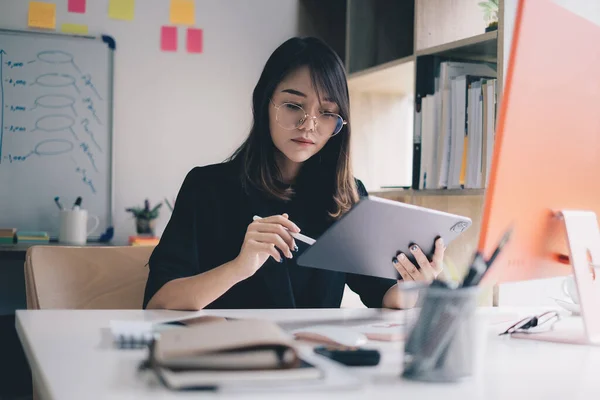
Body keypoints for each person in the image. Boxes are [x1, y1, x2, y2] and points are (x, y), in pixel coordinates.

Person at [143, 37, 446, 311]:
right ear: (265, 104)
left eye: (326, 112)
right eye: (293, 105)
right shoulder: (206, 187)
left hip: (317, 363)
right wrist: (239, 267)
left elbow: (383, 295)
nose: (309, 125)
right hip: (230, 362)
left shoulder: (347, 197)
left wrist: (414, 285)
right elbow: (159, 301)